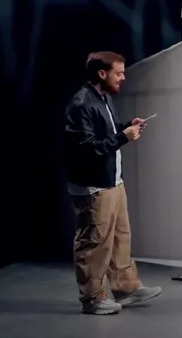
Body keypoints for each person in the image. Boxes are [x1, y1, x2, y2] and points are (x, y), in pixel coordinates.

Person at [65, 51, 162, 315]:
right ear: (102, 73)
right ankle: (92, 299)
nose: (123, 78)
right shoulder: (81, 104)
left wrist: (126, 127)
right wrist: (123, 137)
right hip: (94, 186)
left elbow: (105, 133)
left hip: (112, 181)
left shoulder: (103, 98)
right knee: (94, 243)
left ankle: (126, 288)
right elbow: (86, 149)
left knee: (120, 238)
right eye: (118, 73)